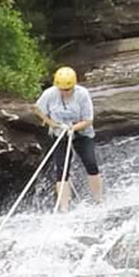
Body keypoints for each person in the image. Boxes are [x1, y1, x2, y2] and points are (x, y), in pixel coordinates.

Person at [33, 66, 101, 211]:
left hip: (82, 134)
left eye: (68, 89)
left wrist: (73, 128)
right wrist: (50, 122)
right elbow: (37, 109)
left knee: (91, 163)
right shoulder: (49, 94)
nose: (65, 92)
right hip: (59, 134)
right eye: (62, 89)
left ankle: (98, 200)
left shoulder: (82, 94)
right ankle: (64, 208)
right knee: (61, 170)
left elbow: (88, 120)